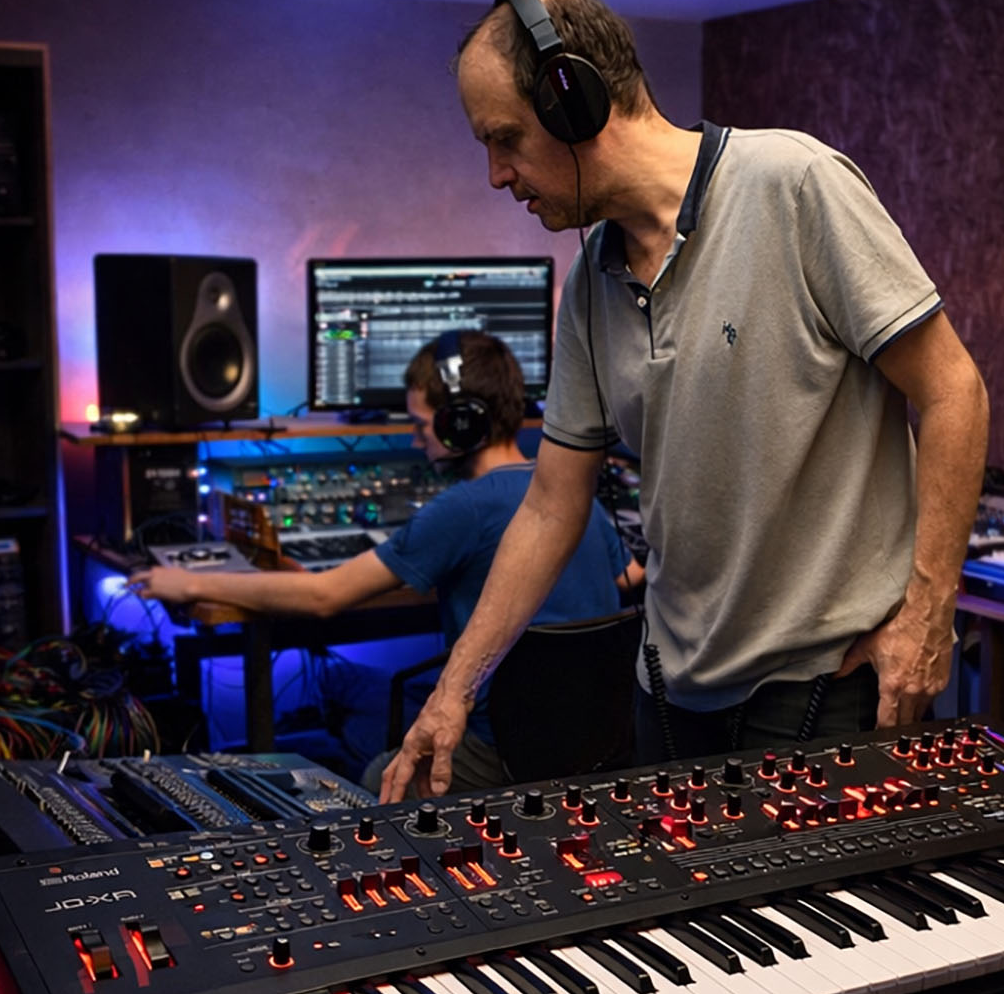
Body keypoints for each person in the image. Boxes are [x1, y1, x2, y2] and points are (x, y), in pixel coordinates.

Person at [378, 0, 989, 804]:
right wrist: (454, 690)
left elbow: (954, 390)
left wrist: (927, 614)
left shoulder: (794, 184)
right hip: (669, 697)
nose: (496, 175)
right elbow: (551, 506)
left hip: (825, 688)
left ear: (573, 101)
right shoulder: (588, 282)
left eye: (506, 139)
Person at [130, 329, 641, 791]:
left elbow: (325, 597)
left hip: (496, 750)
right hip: (590, 744)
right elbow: (628, 576)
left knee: (368, 753)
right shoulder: (575, 499)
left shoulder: (463, 508)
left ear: (461, 424)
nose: (416, 440)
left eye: (421, 425)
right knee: (354, 685)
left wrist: (190, 584)